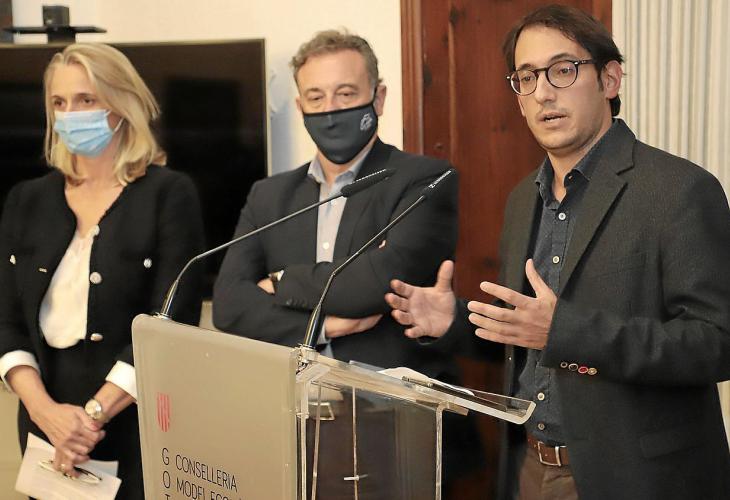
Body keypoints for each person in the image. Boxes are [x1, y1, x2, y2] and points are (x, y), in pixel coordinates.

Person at [385, 5, 730, 499]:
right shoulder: (523, 199)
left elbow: (716, 343)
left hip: (636, 478)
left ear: (610, 79)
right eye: (526, 77)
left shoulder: (679, 190)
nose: (543, 92)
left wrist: (564, 330)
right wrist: (455, 321)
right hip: (529, 465)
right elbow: (530, 338)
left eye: (562, 70)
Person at [213, 30, 480, 496]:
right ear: (301, 107)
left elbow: (377, 284)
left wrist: (281, 282)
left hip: (396, 425)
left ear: (378, 97)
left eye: (346, 94)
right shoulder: (269, 195)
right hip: (293, 424)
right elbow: (230, 305)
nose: (331, 109)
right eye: (316, 97)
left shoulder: (424, 179)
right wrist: (324, 326)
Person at [0, 43, 205, 498]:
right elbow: (7, 322)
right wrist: (46, 414)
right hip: (44, 427)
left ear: (120, 103)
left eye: (86, 99)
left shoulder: (169, 194)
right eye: (59, 102)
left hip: (132, 421)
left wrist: (90, 418)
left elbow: (170, 320)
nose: (70, 114)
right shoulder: (26, 200)